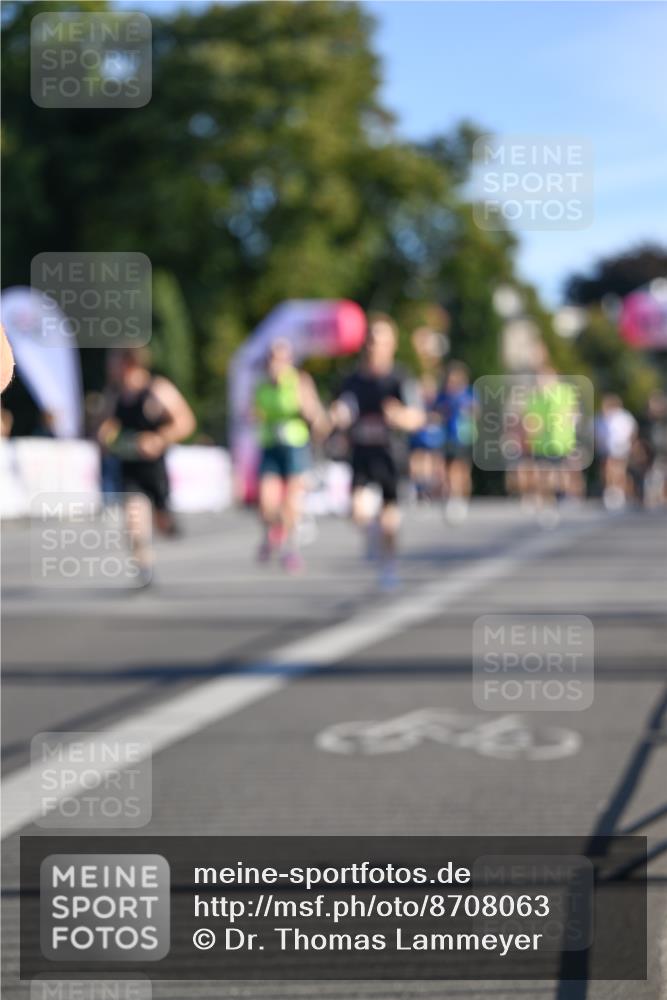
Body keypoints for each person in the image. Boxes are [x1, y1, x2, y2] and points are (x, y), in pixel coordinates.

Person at [331, 313, 424, 590]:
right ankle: (373, 538)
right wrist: (338, 417)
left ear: (392, 345)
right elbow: (339, 409)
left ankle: (389, 565)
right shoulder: (351, 380)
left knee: (389, 521)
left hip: (390, 455)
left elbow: (417, 416)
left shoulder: (399, 378)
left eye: (382, 341)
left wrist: (400, 416)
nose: (375, 346)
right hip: (361, 453)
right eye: (371, 340)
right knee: (357, 512)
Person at [98, 347, 196, 586]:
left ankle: (166, 520)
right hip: (129, 467)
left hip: (154, 469)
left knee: (163, 524)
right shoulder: (114, 394)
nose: (110, 368)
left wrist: (159, 439)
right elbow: (105, 428)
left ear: (129, 362)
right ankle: (144, 567)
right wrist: (106, 437)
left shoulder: (157, 389)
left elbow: (186, 422)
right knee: (134, 519)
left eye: (114, 362)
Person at [254, 338, 327, 572]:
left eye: (280, 359)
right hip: (271, 446)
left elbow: (316, 417)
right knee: (267, 503)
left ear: (289, 361)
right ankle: (273, 532)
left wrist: (305, 407)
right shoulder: (262, 387)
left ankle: (291, 549)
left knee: (290, 503)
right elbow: (255, 414)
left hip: (295, 446)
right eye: (271, 359)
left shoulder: (299, 382)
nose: (275, 365)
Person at [435, 361, 477, 522]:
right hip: (448, 437)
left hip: (464, 436)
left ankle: (461, 498)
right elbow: (436, 411)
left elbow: (475, 410)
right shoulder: (444, 395)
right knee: (449, 469)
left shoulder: (467, 394)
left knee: (462, 470)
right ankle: (454, 498)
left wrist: (466, 408)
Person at [595, 394, 637, 510]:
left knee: (619, 471)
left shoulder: (623, 417)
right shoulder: (601, 418)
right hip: (606, 449)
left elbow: (632, 431)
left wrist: (629, 444)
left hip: (621, 448)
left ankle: (620, 492)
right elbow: (597, 434)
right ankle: (611, 491)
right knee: (607, 471)